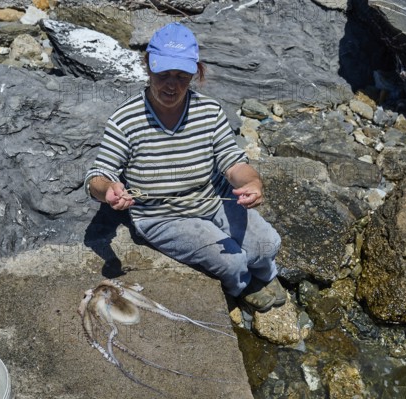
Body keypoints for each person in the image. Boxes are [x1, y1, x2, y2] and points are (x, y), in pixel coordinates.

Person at [84, 22, 286, 313]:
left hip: (213, 198)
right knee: (232, 260)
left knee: (267, 244)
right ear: (148, 68)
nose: (171, 84)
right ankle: (241, 286)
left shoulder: (209, 111)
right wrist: (109, 191)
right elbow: (97, 177)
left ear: (195, 72)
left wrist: (252, 182)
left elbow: (232, 161)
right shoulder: (125, 120)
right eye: (163, 74)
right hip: (162, 214)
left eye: (181, 75)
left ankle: (267, 274)